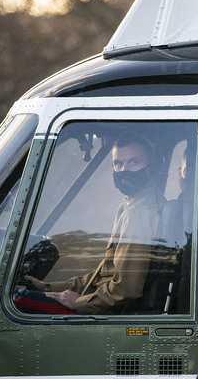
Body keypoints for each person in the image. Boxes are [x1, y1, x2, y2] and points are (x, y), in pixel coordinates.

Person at [24, 131, 166, 314]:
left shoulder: (138, 214)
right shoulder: (135, 205)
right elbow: (103, 276)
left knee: (19, 300)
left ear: (152, 166)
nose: (124, 170)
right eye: (118, 163)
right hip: (105, 303)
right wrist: (47, 288)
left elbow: (125, 289)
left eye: (134, 162)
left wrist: (80, 303)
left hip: (112, 313)